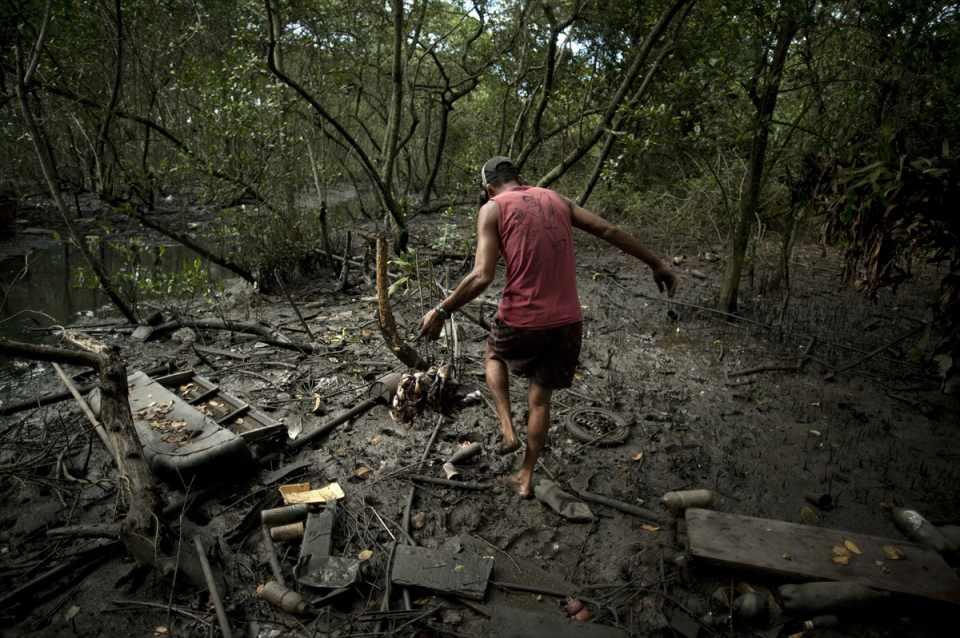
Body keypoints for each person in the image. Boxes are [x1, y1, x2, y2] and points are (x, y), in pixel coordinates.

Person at [419, 156, 677, 497]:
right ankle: (525, 477)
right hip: (568, 322)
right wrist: (655, 263)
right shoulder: (556, 199)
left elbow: (482, 275)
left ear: (487, 187)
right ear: (519, 177)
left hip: (522, 318)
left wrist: (442, 310)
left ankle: (508, 428)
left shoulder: (493, 208)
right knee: (540, 400)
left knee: (494, 352)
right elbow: (608, 230)